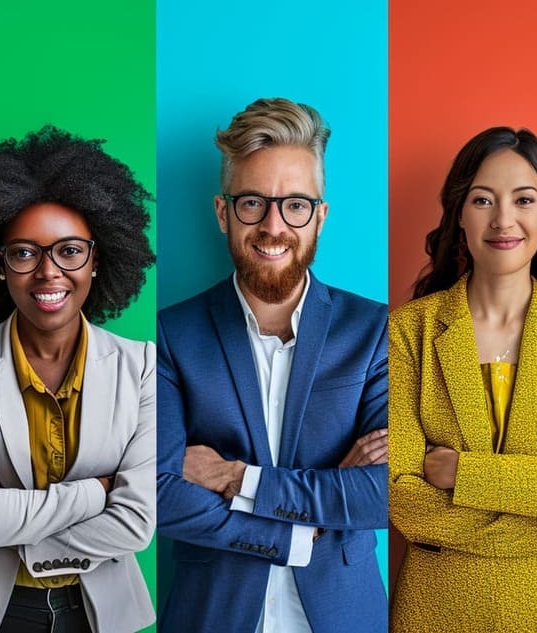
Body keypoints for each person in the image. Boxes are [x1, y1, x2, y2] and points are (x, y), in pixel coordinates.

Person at [157, 98, 389, 633]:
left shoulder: (375, 331)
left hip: (343, 614)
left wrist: (238, 478)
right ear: (223, 213)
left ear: (320, 216)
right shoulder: (173, 335)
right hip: (211, 615)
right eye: (253, 203)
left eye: (295, 205)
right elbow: (160, 494)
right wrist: (301, 526)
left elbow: (386, 493)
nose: (273, 225)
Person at [0, 126, 157, 633]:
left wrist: (5, 517)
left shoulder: (142, 367)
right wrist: (98, 493)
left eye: (70, 251)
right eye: (25, 252)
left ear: (97, 260)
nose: (49, 272)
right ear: (1, 265)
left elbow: (137, 524)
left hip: (101, 613)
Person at [388, 127, 537, 632]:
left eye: (524, 200)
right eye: (483, 199)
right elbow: (400, 497)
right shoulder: (407, 331)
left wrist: (460, 474)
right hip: (435, 610)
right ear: (459, 214)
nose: (504, 220)